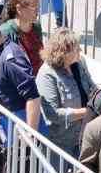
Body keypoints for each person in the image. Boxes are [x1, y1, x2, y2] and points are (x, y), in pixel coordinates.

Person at [36, 26, 97, 157]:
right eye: (76, 48)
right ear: (64, 52)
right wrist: (88, 112)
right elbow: (53, 114)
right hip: (60, 142)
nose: (80, 50)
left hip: (83, 136)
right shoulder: (47, 74)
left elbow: (92, 88)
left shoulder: (79, 63)